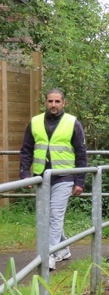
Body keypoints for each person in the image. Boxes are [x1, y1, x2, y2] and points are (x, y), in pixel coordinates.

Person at [19, 88, 87, 270]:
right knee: (45, 215)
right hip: (41, 178)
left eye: (57, 101)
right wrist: (24, 173)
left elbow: (81, 154)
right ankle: (63, 249)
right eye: (50, 101)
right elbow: (26, 150)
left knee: (55, 215)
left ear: (63, 103)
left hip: (64, 177)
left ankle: (48, 255)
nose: (53, 105)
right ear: (45, 103)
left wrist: (80, 182)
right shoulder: (35, 122)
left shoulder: (73, 123)